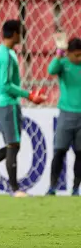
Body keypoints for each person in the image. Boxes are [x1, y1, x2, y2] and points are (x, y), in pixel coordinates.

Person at [0, 20, 46, 197]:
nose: (22, 36)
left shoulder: (4, 52)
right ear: (14, 33)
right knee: (13, 145)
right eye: (20, 32)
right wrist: (29, 95)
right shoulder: (4, 54)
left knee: (13, 145)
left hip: (7, 103)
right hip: (6, 103)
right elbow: (5, 85)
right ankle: (14, 189)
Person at [46, 37, 81, 196]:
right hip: (66, 114)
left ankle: (75, 188)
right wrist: (59, 54)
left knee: (80, 154)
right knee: (59, 151)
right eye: (76, 55)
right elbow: (51, 70)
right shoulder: (63, 63)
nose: (79, 58)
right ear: (69, 54)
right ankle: (52, 186)